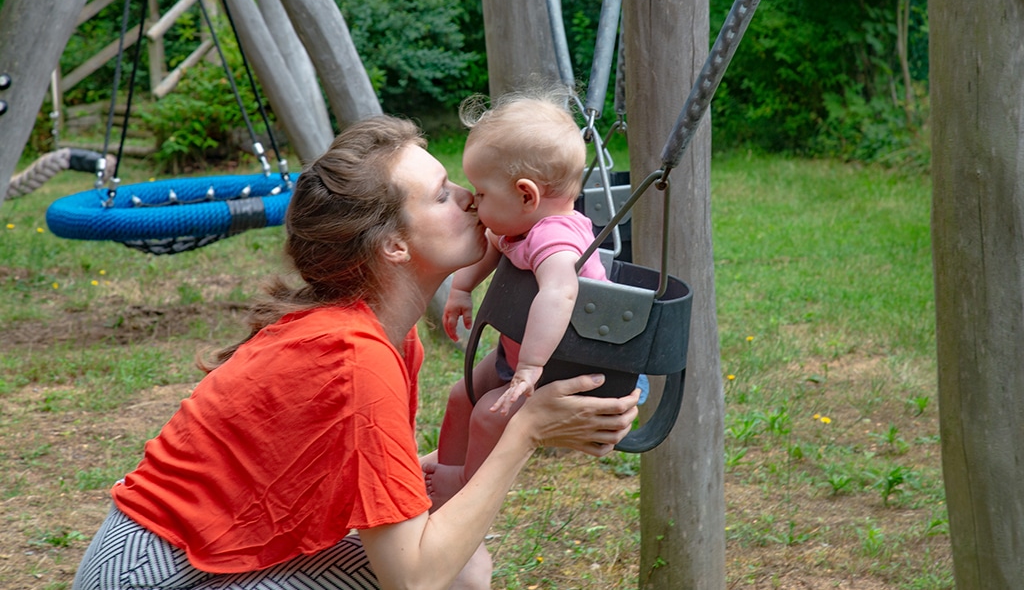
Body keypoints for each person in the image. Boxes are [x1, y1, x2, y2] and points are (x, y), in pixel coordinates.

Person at [71, 115, 639, 590]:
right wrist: (526, 431)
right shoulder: (354, 357)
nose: (468, 199)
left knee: (457, 557)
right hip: (152, 575)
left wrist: (424, 476)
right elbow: (411, 577)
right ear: (393, 245)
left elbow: (337, 468)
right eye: (442, 194)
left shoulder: (386, 336)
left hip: (187, 554)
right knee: (455, 574)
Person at [428, 91, 636, 506]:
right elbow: (493, 244)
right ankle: (446, 475)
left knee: (488, 414)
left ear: (526, 195)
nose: (473, 200)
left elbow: (560, 292)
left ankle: (466, 498)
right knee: (460, 394)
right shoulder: (521, 224)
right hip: (520, 358)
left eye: (481, 193)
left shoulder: (556, 238)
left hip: (564, 367)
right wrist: (463, 288)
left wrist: (530, 368)